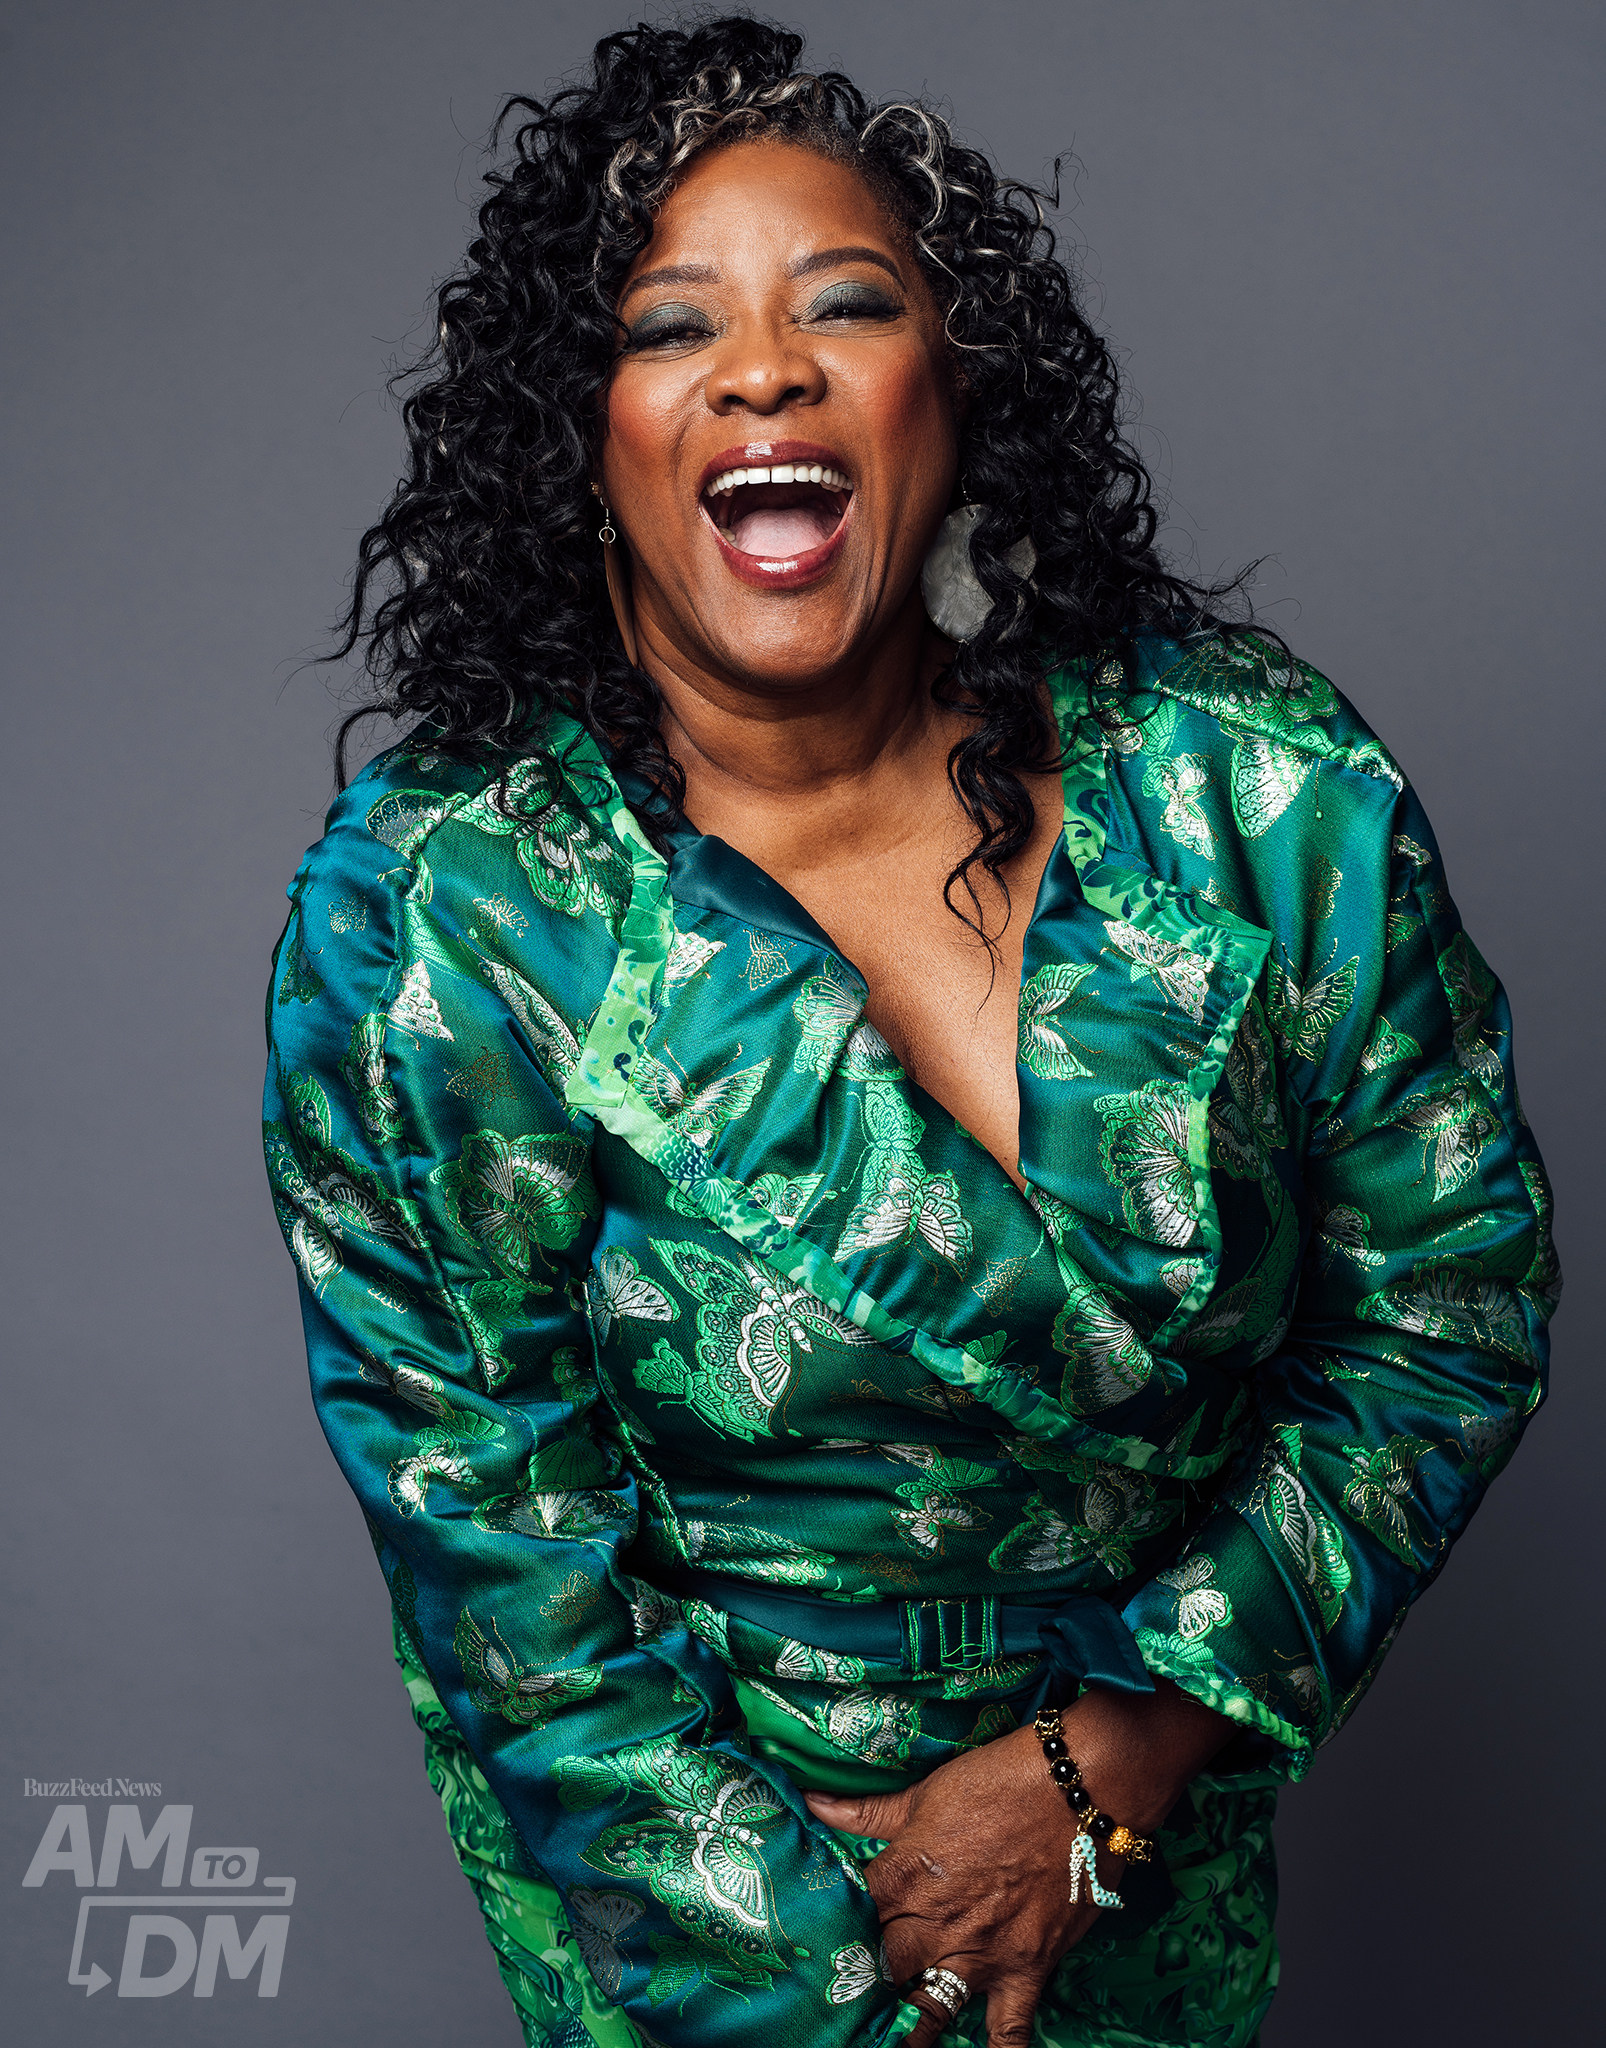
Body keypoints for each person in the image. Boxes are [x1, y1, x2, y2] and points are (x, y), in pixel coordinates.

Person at [263, 18, 1558, 2047]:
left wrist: (1116, 1761)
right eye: (668, 325)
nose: (765, 367)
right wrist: (858, 1996)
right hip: (721, 1932)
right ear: (579, 439)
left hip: (1153, 1875)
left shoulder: (1257, 800)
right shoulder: (447, 920)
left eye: (846, 305)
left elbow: (1449, 1304)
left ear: (957, 402)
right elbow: (512, 1593)